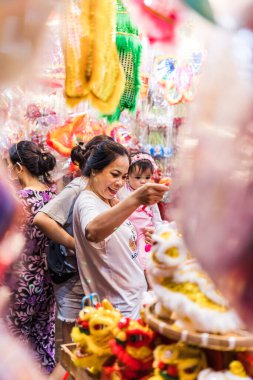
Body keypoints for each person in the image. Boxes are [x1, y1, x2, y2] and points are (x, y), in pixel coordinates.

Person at [73, 139, 168, 319]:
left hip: (133, 301)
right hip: (116, 310)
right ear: (94, 170)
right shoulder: (87, 200)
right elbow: (93, 231)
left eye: (124, 177)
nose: (119, 183)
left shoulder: (110, 201)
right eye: (115, 174)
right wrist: (135, 199)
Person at [34, 135, 113, 346]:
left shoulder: (102, 188)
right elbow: (42, 219)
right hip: (72, 277)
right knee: (72, 350)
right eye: (115, 171)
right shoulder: (79, 187)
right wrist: (76, 244)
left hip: (91, 275)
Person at [5, 140, 57, 374]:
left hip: (21, 282)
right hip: (47, 281)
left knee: (14, 339)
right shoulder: (53, 195)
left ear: (18, 168)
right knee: (42, 339)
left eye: (8, 165)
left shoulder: (20, 200)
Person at [118, 152, 164, 283]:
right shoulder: (123, 192)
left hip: (146, 235)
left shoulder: (150, 195)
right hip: (128, 235)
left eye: (147, 177)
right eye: (138, 177)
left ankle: (150, 290)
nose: (143, 181)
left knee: (148, 263)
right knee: (131, 265)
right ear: (127, 177)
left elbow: (157, 218)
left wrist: (158, 231)